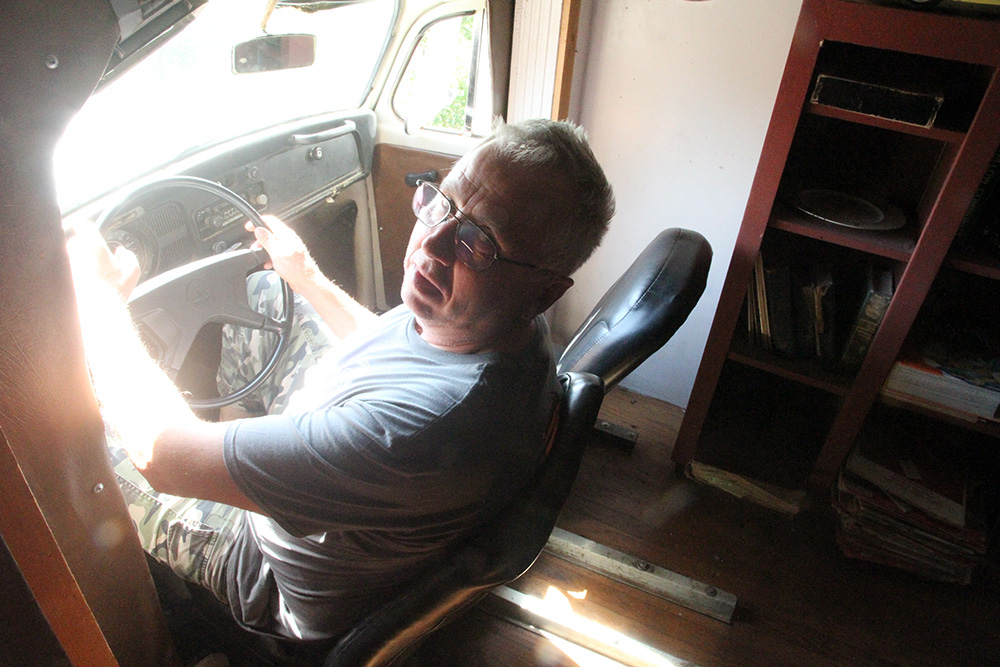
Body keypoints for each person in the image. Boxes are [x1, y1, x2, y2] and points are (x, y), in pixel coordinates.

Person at [68, 119, 615, 643]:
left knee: (75, 441)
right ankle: (235, 455)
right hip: (349, 467)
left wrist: (100, 303)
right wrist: (305, 276)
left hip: (261, 564)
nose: (432, 245)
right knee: (266, 293)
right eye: (441, 204)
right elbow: (396, 353)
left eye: (479, 242)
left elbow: (160, 456)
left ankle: (154, 615)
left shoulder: (419, 433)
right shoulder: (508, 329)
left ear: (544, 291)